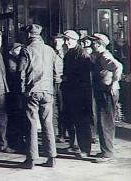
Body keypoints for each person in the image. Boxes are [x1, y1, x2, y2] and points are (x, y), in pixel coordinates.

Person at [18, 24, 57, 169]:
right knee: (48, 124)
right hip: (48, 91)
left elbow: (21, 73)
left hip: (32, 91)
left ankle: (31, 159)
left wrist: (23, 90)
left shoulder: (26, 50)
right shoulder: (50, 50)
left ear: (29, 35)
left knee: (31, 124)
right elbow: (57, 71)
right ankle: (51, 158)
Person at [90, 33, 123, 163]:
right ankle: (105, 150)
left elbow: (118, 66)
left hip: (107, 92)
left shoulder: (104, 56)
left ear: (98, 44)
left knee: (106, 122)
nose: (92, 45)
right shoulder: (100, 56)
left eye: (93, 43)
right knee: (104, 121)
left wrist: (114, 83)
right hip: (103, 91)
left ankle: (107, 153)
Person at [62, 30, 93, 158]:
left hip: (80, 92)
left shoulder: (82, 54)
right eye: (65, 39)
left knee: (82, 121)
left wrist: (68, 78)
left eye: (69, 39)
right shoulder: (70, 53)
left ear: (76, 41)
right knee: (72, 119)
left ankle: (85, 149)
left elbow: (84, 75)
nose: (66, 42)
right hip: (71, 91)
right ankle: (76, 145)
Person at [52, 34, 66, 143]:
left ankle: (62, 134)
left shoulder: (66, 53)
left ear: (63, 42)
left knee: (62, 109)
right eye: (55, 41)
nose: (57, 43)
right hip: (51, 83)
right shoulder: (50, 52)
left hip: (63, 84)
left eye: (59, 41)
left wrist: (63, 78)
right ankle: (52, 134)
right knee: (52, 109)